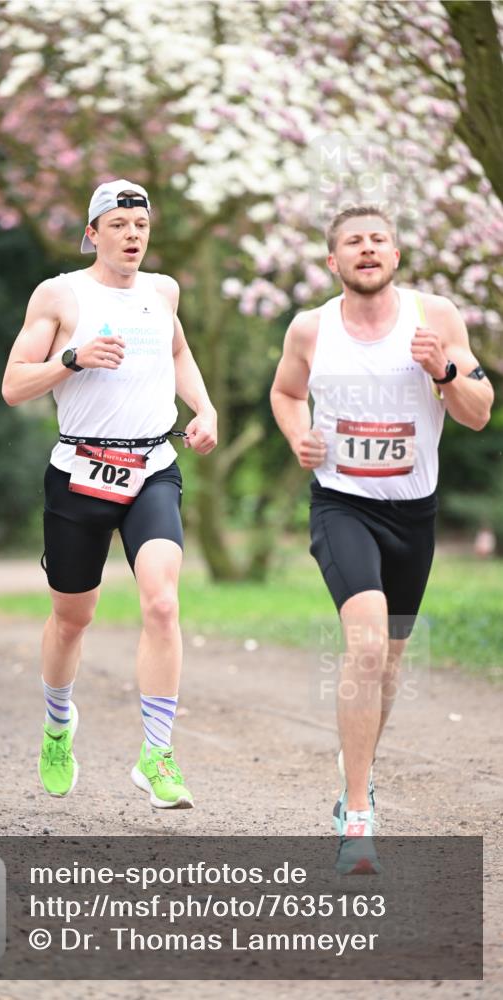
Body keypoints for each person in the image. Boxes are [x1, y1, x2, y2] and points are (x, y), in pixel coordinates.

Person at [270, 205, 493, 872]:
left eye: (378, 240)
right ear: (332, 263)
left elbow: (478, 414)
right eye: (351, 243)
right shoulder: (310, 329)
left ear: (395, 256)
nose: (367, 250)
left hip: (412, 515)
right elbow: (285, 394)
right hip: (342, 506)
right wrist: (297, 437)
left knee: (389, 662)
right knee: (365, 645)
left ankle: (352, 773)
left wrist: (443, 373)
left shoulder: (437, 319)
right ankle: (358, 813)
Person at [2, 179, 217, 808]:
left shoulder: (163, 291)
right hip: (80, 472)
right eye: (118, 225)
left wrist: (202, 409)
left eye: (141, 226)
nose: (132, 236)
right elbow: (14, 386)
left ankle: (156, 754)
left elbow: (179, 351)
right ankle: (58, 725)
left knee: (162, 604)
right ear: (93, 233)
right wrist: (73, 358)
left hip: (153, 466)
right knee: (73, 618)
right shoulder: (60, 294)